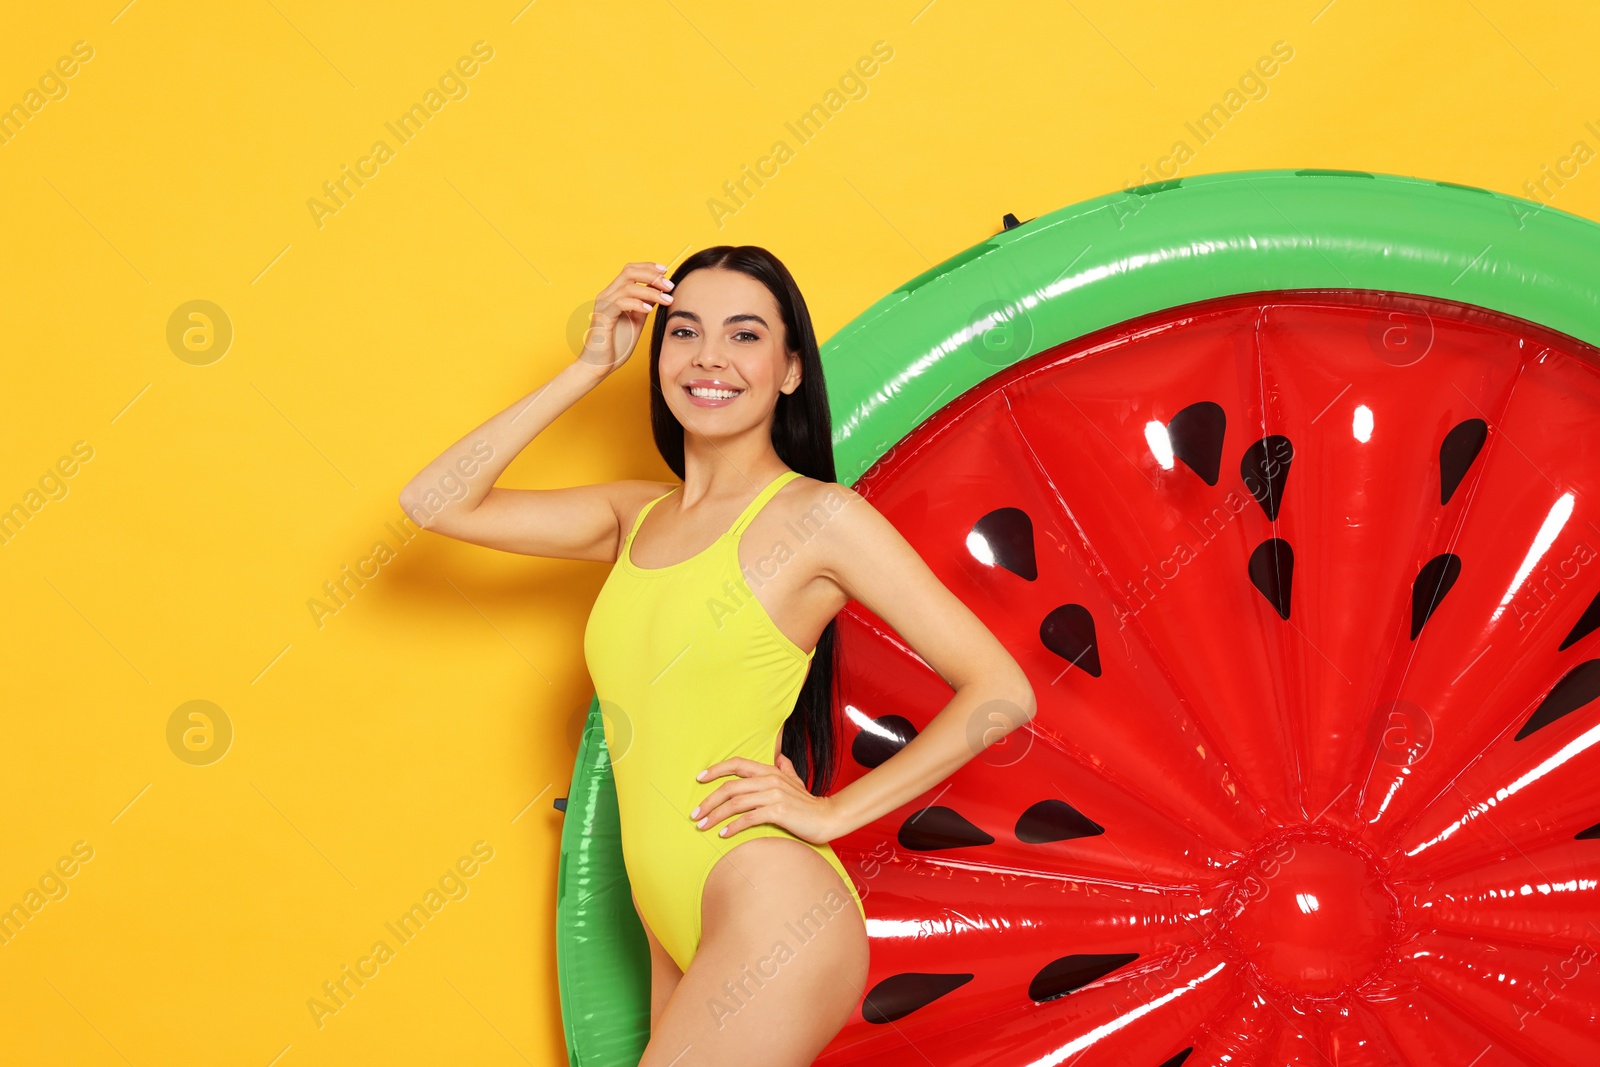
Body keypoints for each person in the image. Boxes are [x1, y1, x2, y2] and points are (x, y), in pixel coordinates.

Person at [399, 246, 1036, 1064]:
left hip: (768, 901)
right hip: (672, 916)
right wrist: (590, 364)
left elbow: (1001, 690)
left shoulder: (819, 518)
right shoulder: (633, 518)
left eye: (744, 335)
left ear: (791, 370)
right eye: (684, 332)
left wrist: (833, 814)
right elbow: (435, 500)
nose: (709, 358)